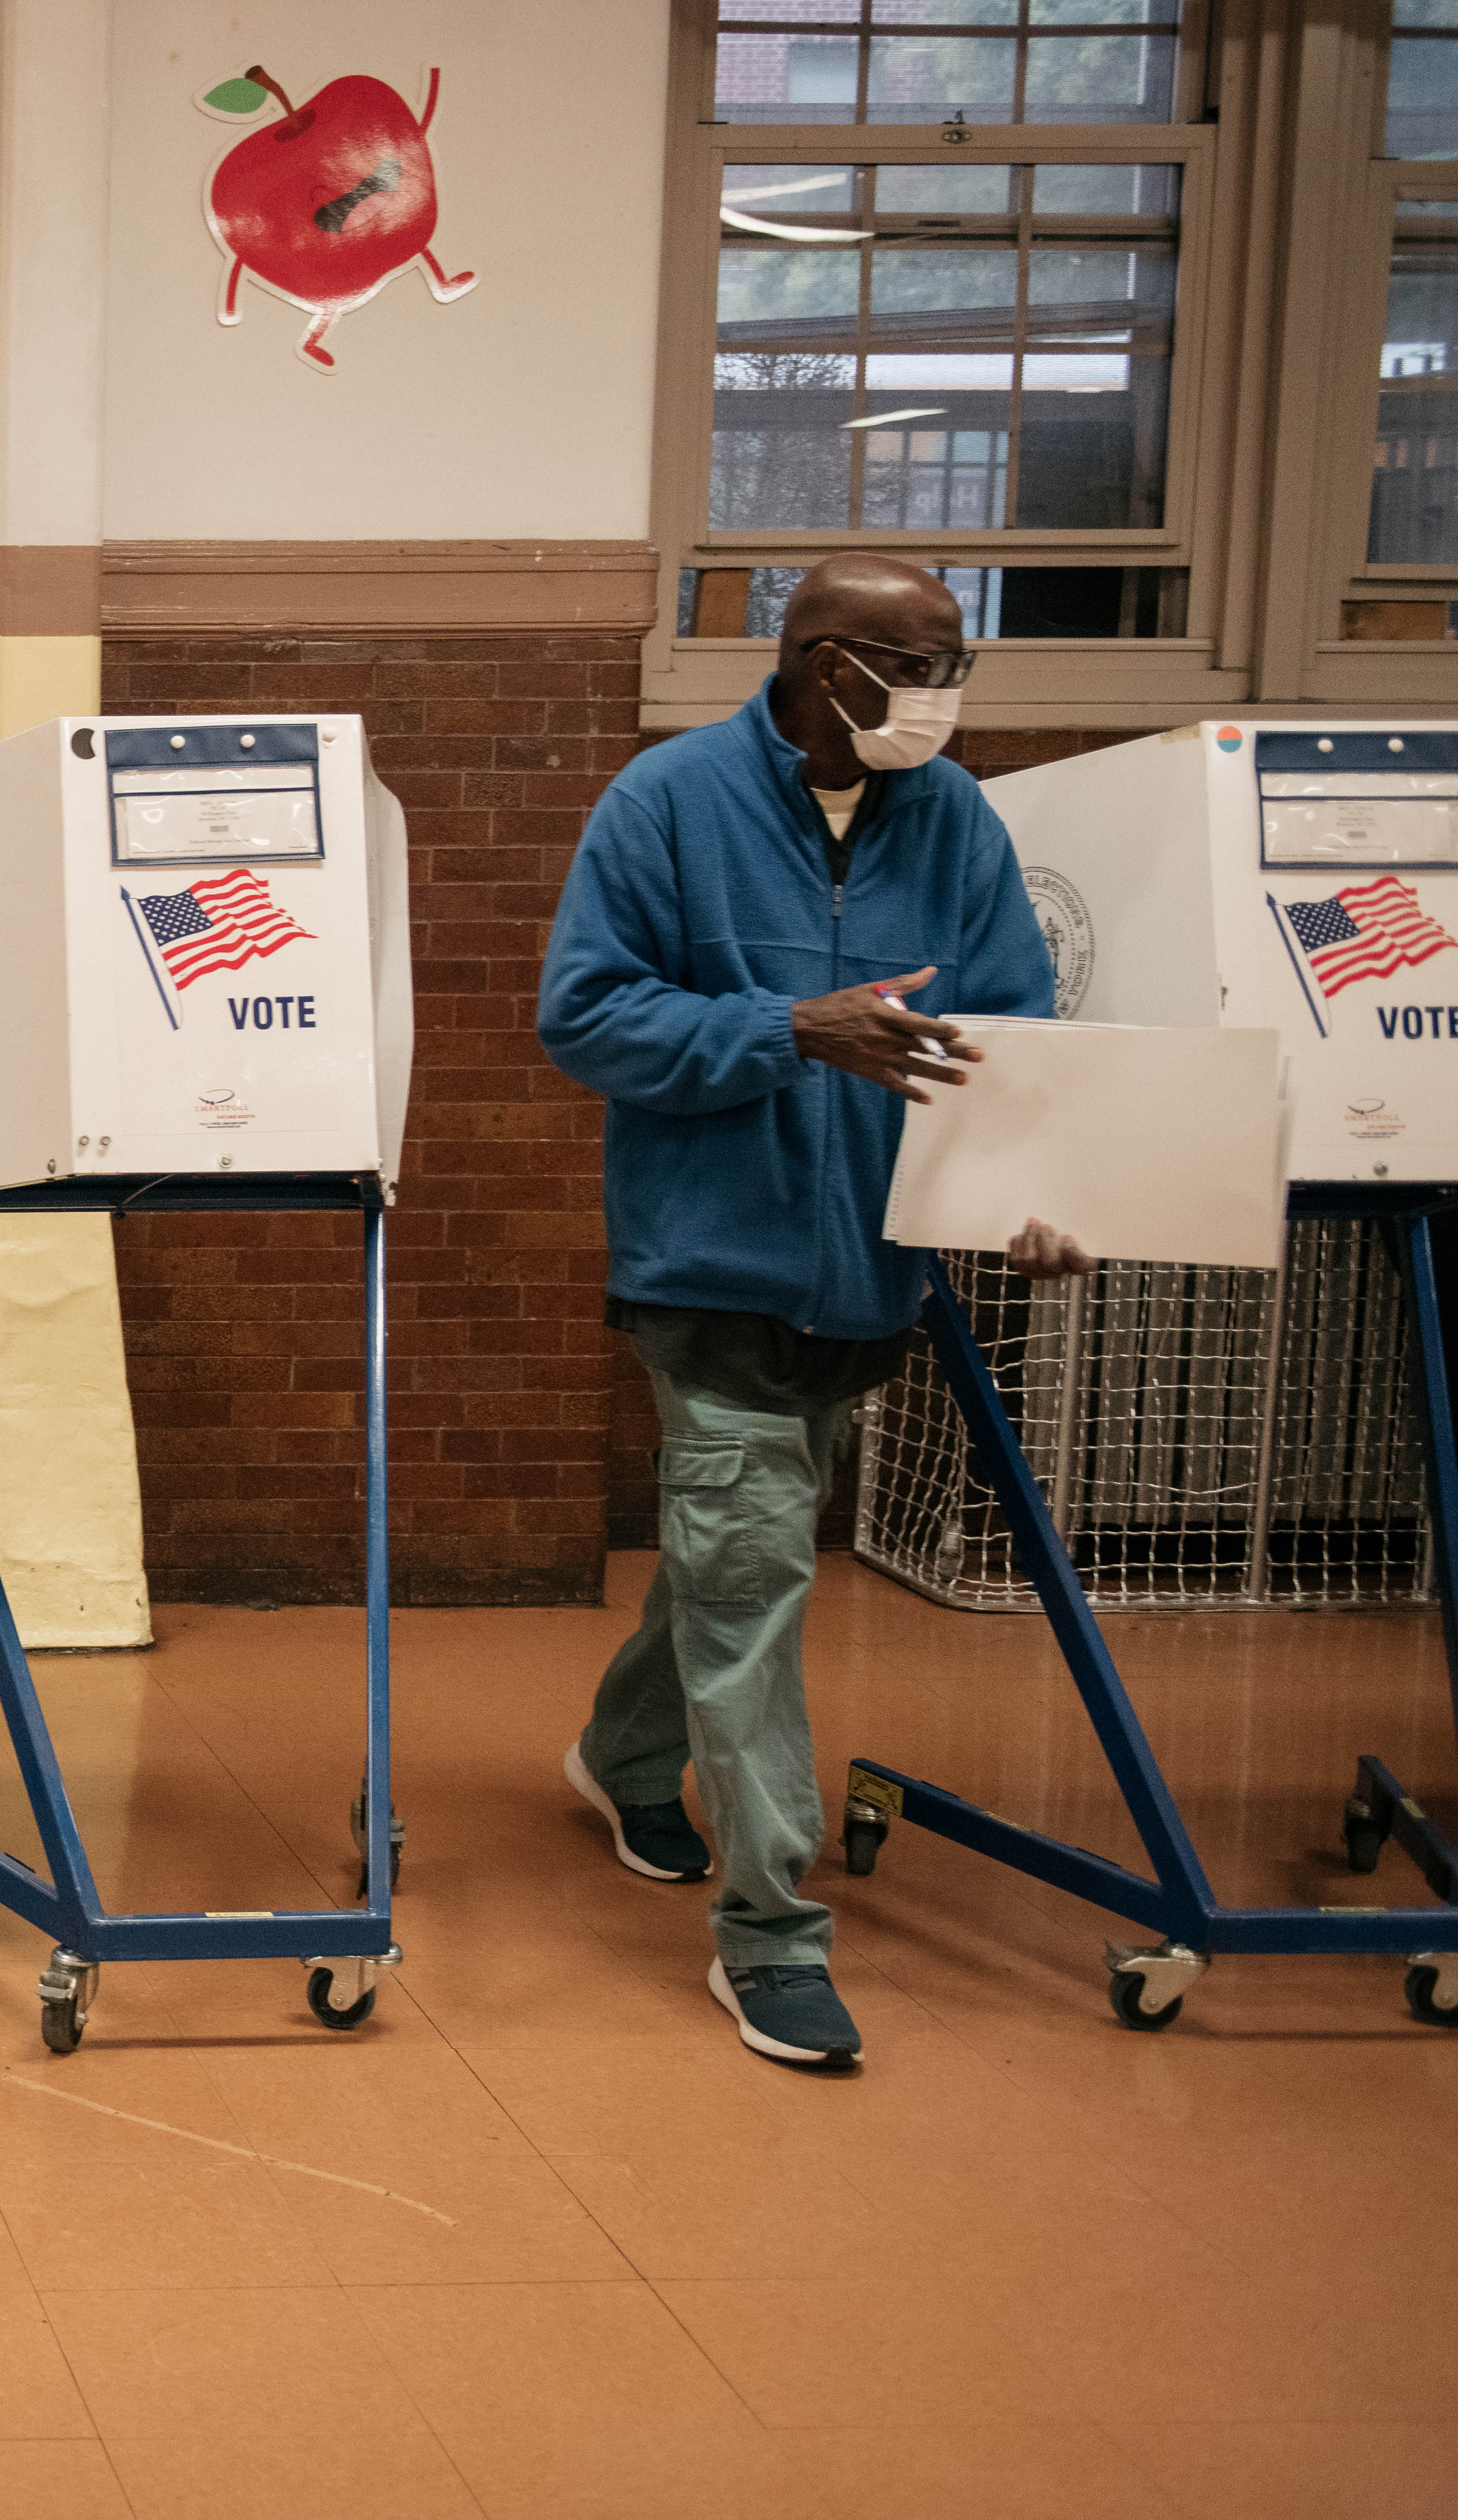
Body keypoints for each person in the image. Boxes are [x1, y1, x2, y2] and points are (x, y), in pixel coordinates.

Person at [537, 553, 1090, 2069]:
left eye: (956, 664)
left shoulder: (952, 817)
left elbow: (1011, 1037)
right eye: (921, 665)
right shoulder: (665, 801)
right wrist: (787, 1028)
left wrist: (1030, 1196)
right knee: (753, 1571)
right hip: (705, 1272)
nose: (945, 695)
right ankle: (771, 1932)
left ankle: (620, 1753)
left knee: (732, 1564)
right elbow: (584, 1016)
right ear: (824, 661)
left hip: (867, 1276)